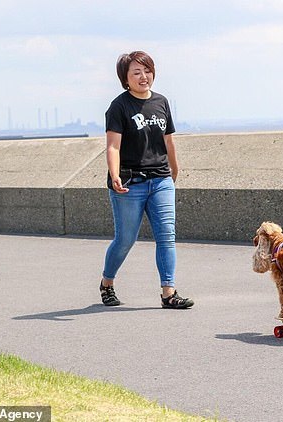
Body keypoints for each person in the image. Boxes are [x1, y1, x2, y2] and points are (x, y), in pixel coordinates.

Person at [99, 50, 194, 309]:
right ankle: (107, 283)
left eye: (147, 70)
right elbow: (113, 147)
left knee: (167, 236)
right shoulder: (119, 106)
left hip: (160, 179)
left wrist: (174, 171)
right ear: (125, 78)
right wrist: (115, 174)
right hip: (130, 183)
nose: (144, 77)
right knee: (126, 239)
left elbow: (168, 141)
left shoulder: (161, 102)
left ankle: (169, 292)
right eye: (136, 72)